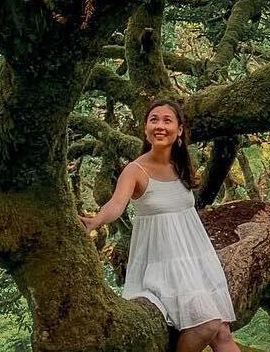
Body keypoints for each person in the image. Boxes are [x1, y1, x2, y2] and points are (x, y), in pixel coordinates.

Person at [79, 99, 239, 352]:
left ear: (179, 130)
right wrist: (97, 220)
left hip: (195, 260)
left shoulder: (181, 166)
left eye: (167, 120)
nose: (160, 126)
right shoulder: (135, 170)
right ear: (145, 129)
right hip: (161, 264)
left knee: (222, 332)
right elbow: (116, 204)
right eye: (154, 119)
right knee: (206, 324)